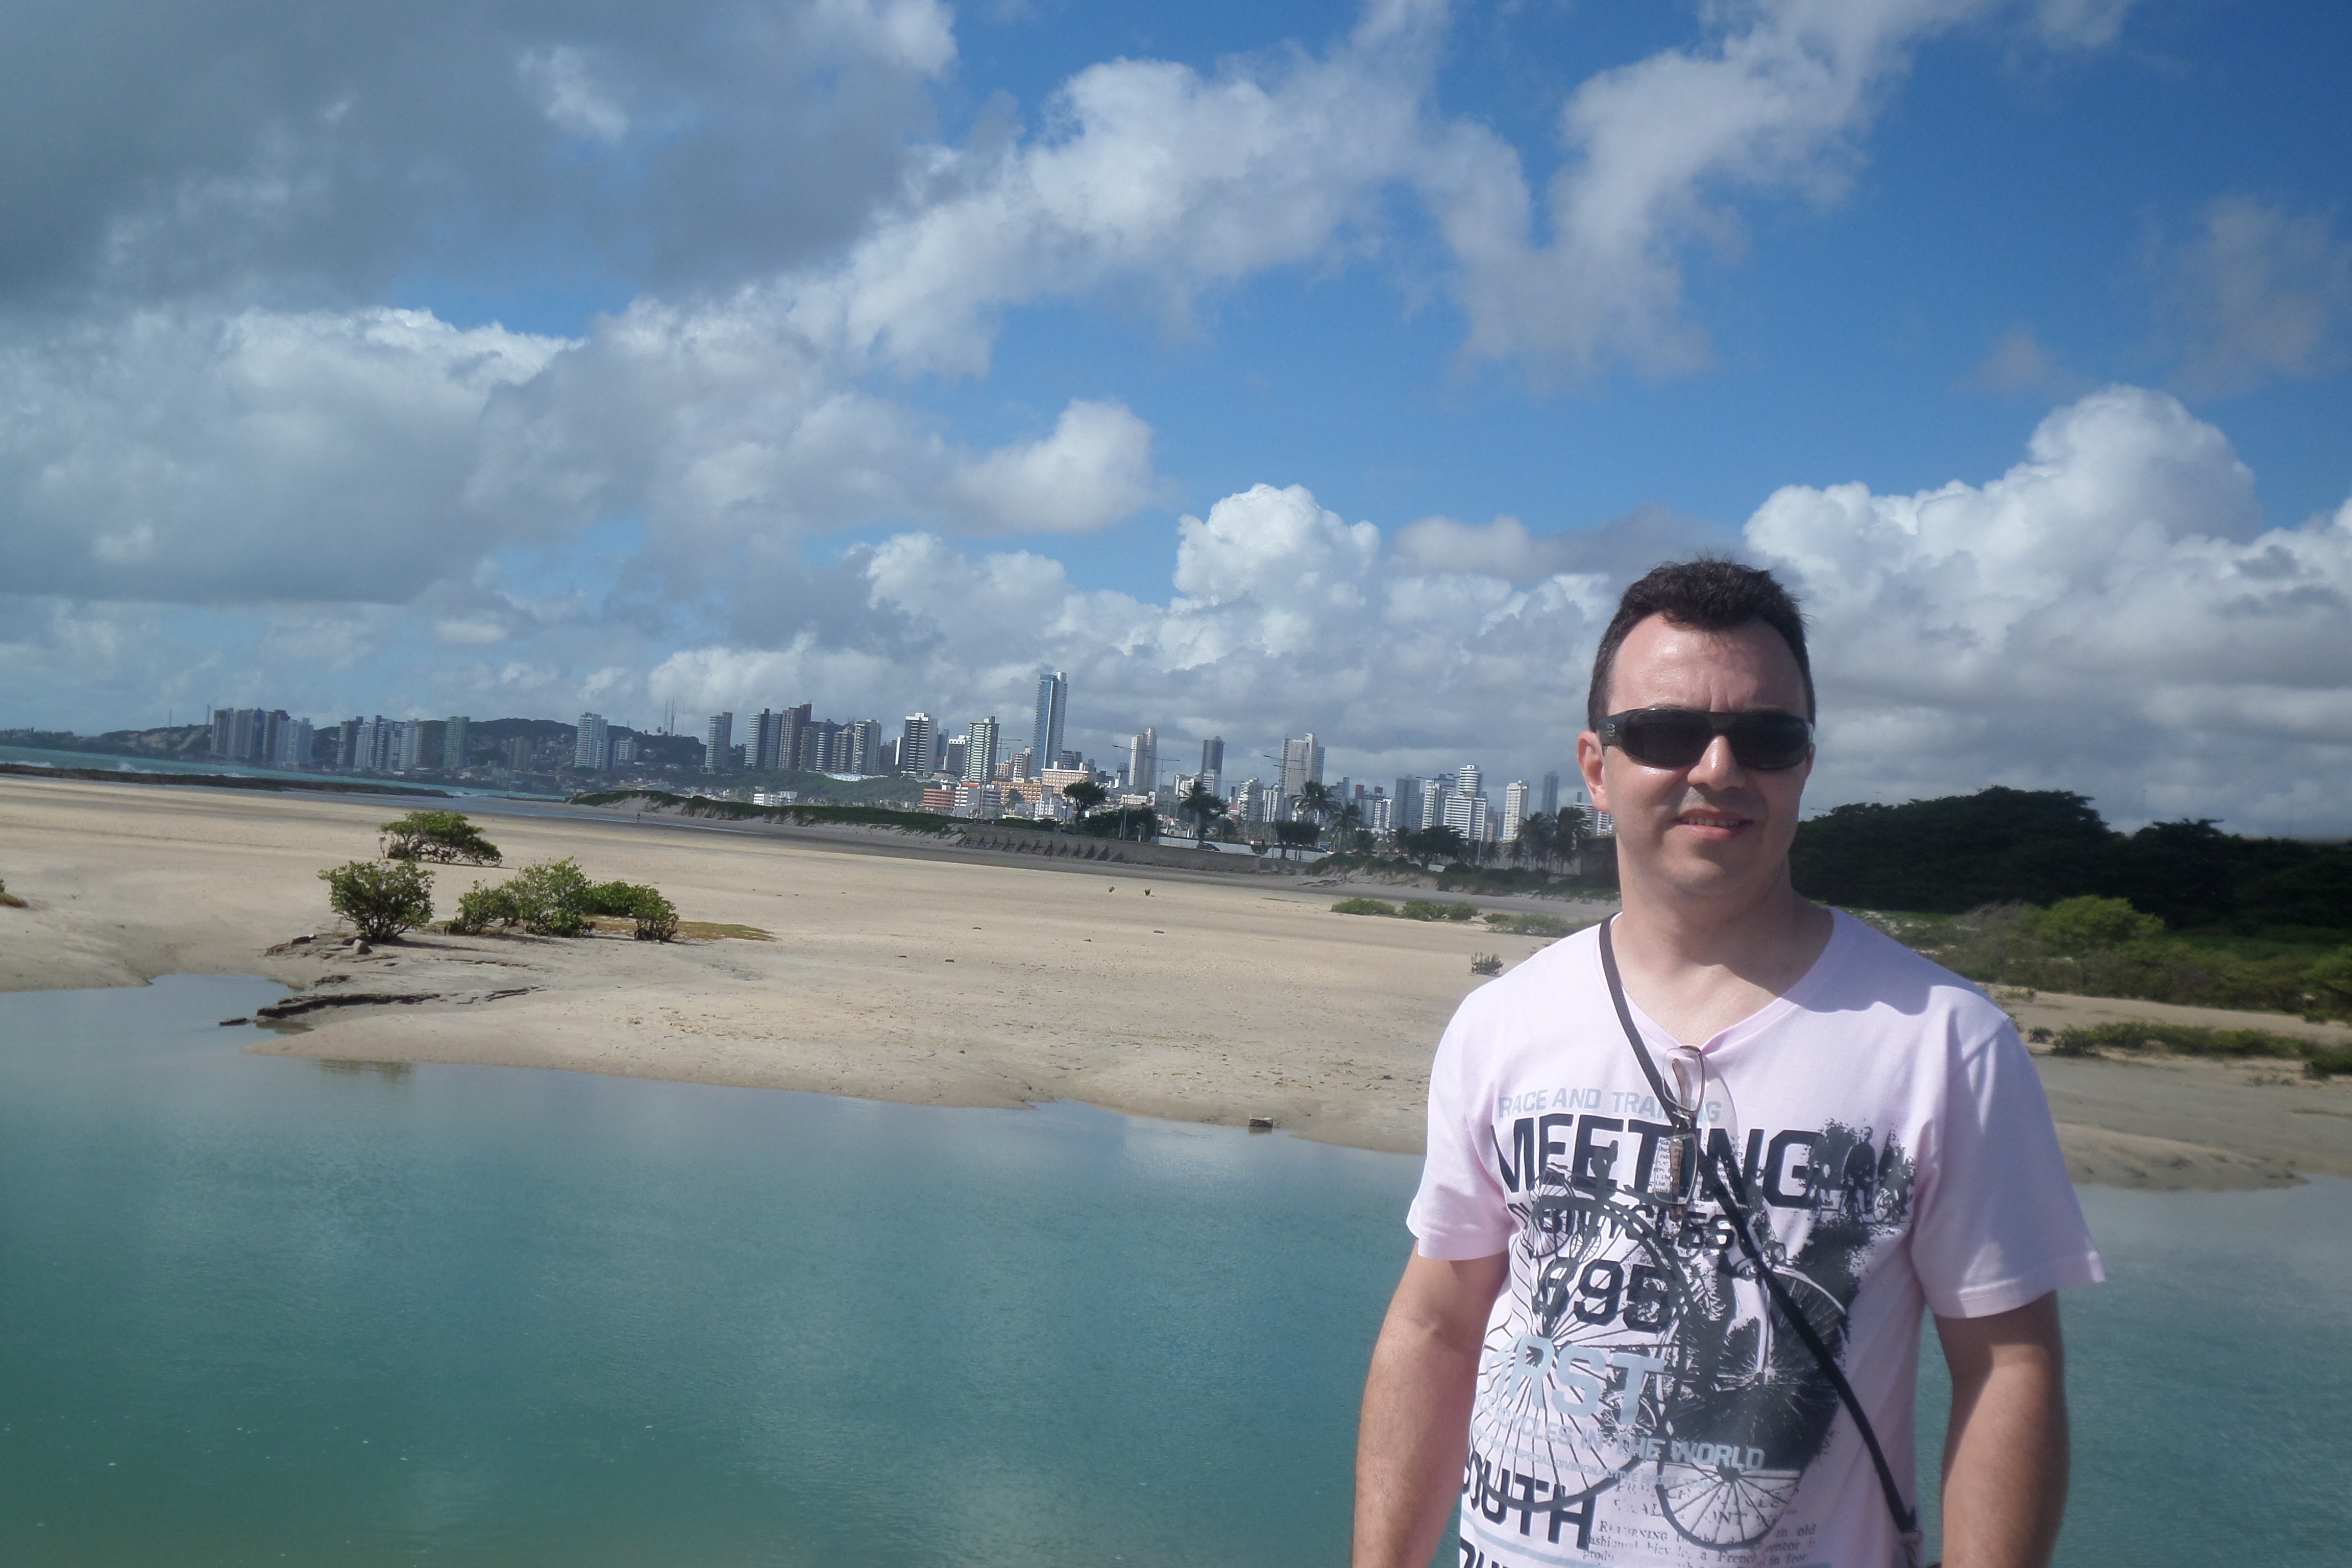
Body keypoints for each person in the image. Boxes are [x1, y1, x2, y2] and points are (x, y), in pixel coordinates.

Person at [1354, 560, 2101, 1568]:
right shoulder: (1503, 1022)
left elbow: (2007, 1366)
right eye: (1666, 733)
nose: (1717, 768)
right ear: (1596, 767)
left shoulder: (1944, 1042)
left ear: (1804, 766)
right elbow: (1438, 1327)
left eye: (1765, 738)